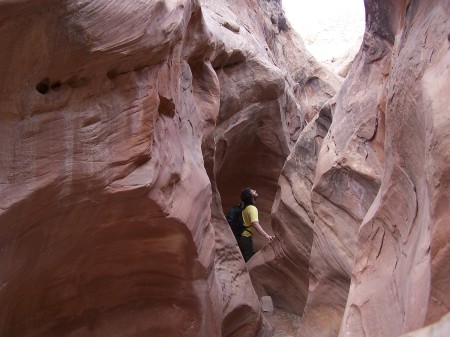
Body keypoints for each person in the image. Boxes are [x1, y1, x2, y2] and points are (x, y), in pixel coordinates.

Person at [238, 188, 275, 262]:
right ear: (250, 196)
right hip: (245, 237)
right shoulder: (252, 208)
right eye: (252, 191)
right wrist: (266, 235)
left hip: (241, 236)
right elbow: (255, 224)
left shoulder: (245, 207)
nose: (255, 190)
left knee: (245, 257)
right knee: (250, 259)